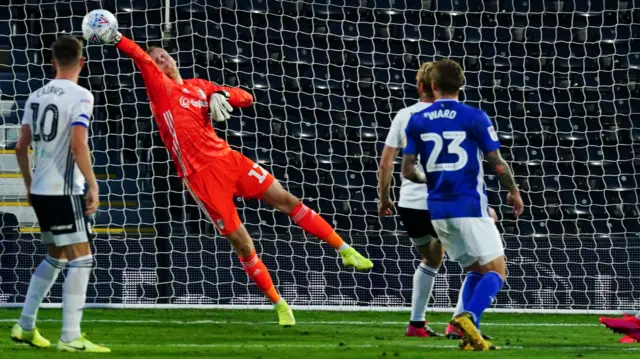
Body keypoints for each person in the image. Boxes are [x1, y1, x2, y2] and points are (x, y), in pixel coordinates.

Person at [93, 23, 373, 326]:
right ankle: (280, 305)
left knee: (287, 199)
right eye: (157, 60)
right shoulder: (161, 89)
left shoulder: (199, 86)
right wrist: (118, 39)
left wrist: (223, 94)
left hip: (229, 160)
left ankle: (344, 250)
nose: (162, 61)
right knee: (243, 243)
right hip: (200, 176)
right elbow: (141, 57)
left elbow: (247, 96)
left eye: (164, 56)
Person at [402, 59, 524, 351]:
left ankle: (468, 329)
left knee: (475, 268)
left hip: (438, 209)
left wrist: (430, 177)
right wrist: (514, 191)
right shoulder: (474, 116)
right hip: (469, 204)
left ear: (432, 86)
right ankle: (469, 315)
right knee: (497, 272)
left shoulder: (416, 120)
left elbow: (407, 171)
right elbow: (496, 162)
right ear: (462, 84)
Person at [10, 35, 110, 353]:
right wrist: (93, 184)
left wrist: (28, 184)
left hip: (40, 189)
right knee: (82, 260)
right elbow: (78, 144)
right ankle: (70, 336)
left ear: (53, 61)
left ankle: (26, 325)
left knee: (55, 257)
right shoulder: (81, 96)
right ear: (82, 62)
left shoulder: (36, 96)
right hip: (64, 190)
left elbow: (20, 146)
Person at [378, 61, 443, 337]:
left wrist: (384, 198)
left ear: (419, 86)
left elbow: (386, 163)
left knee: (432, 258)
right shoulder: (452, 115)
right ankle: (463, 320)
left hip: (411, 204)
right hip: (445, 201)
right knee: (479, 262)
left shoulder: (405, 115)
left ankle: (417, 323)